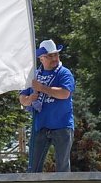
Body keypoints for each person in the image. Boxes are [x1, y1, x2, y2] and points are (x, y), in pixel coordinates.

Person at [19, 39, 75, 172]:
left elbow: (65, 93)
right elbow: (22, 99)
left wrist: (42, 88)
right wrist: (29, 99)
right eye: (50, 56)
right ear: (41, 58)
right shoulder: (34, 76)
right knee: (33, 167)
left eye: (56, 54)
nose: (55, 58)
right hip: (40, 127)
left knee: (62, 167)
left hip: (62, 126)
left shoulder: (64, 73)